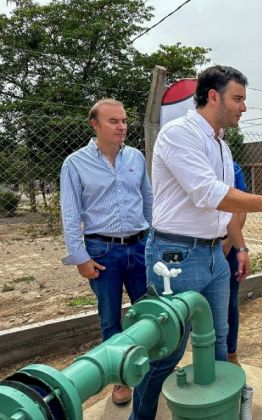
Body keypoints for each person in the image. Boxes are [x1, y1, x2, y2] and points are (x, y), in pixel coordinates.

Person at [130, 65, 262, 420]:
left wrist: (240, 245)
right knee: (167, 349)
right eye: (238, 99)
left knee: (217, 338)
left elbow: (226, 208)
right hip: (176, 255)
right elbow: (209, 194)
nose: (243, 108)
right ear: (213, 96)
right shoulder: (179, 134)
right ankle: (140, 416)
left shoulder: (220, 144)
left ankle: (218, 410)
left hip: (215, 254)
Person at [60, 98, 153, 405]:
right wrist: (81, 257)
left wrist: (154, 240)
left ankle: (150, 372)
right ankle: (121, 379)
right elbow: (71, 215)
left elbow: (147, 200)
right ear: (95, 125)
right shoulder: (75, 164)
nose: (122, 127)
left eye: (124, 121)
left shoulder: (136, 157)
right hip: (102, 251)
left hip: (140, 247)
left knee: (149, 313)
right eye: (114, 121)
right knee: (110, 318)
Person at [222, 161, 248, 366]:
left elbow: (241, 208)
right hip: (200, 246)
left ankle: (231, 354)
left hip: (228, 246)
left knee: (230, 301)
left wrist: (231, 242)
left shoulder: (232, 166)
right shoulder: (191, 158)